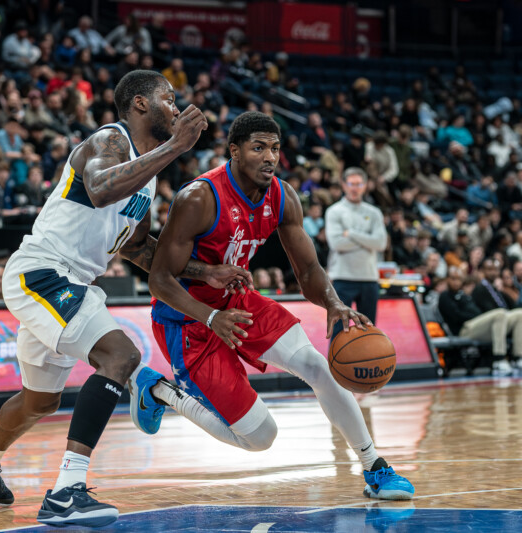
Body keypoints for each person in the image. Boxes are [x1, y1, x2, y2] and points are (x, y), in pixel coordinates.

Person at [0, 71, 248, 527]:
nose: (176, 107)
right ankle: (66, 492)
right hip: (42, 272)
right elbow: (101, 188)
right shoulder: (110, 140)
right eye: (168, 98)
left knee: (39, 402)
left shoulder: (147, 176)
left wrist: (207, 271)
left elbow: (138, 248)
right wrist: (175, 147)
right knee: (120, 356)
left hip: (71, 283)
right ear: (140, 104)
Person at [143, 111, 414, 503]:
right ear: (235, 151)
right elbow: (159, 279)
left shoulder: (282, 196)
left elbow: (308, 270)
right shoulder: (199, 197)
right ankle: (160, 391)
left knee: (318, 366)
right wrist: (211, 316)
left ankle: (374, 466)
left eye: (274, 148)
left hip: (239, 302)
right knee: (260, 437)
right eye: (258, 148)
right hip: (187, 319)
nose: (269, 157)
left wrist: (334, 304)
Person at [324, 167, 388, 340]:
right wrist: (367, 240)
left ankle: (367, 360)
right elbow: (337, 243)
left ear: (365, 185)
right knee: (339, 332)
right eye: (351, 183)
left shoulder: (374, 212)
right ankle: (335, 360)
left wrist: (351, 233)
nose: (355, 188)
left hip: (369, 278)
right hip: (342, 277)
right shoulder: (334, 211)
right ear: (344, 185)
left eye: (359, 184)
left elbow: (381, 243)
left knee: (369, 332)